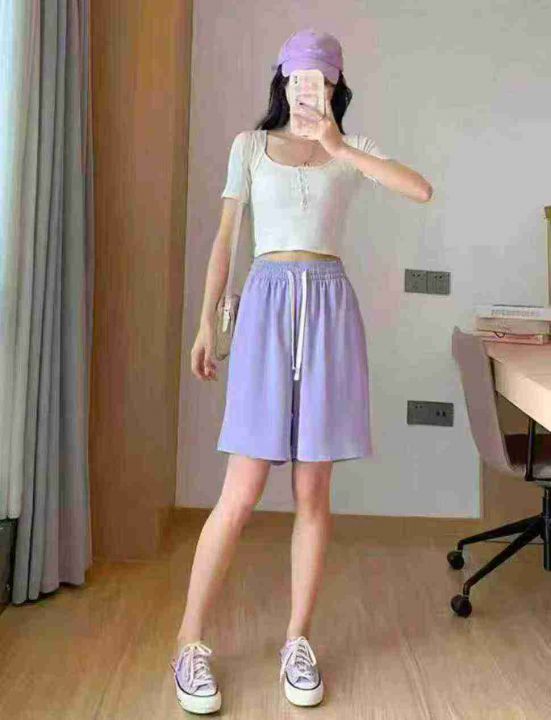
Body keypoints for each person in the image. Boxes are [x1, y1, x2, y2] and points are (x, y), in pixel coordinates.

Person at [170, 27, 433, 715]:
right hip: (264, 309)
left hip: (329, 313)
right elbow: (225, 241)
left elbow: (420, 190)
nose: (304, 91)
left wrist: (339, 147)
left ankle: (297, 640)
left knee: (313, 492)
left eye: (318, 81)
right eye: (295, 79)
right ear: (282, 81)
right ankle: (189, 640)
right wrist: (205, 322)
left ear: (334, 86)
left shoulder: (348, 150)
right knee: (241, 491)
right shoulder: (249, 147)